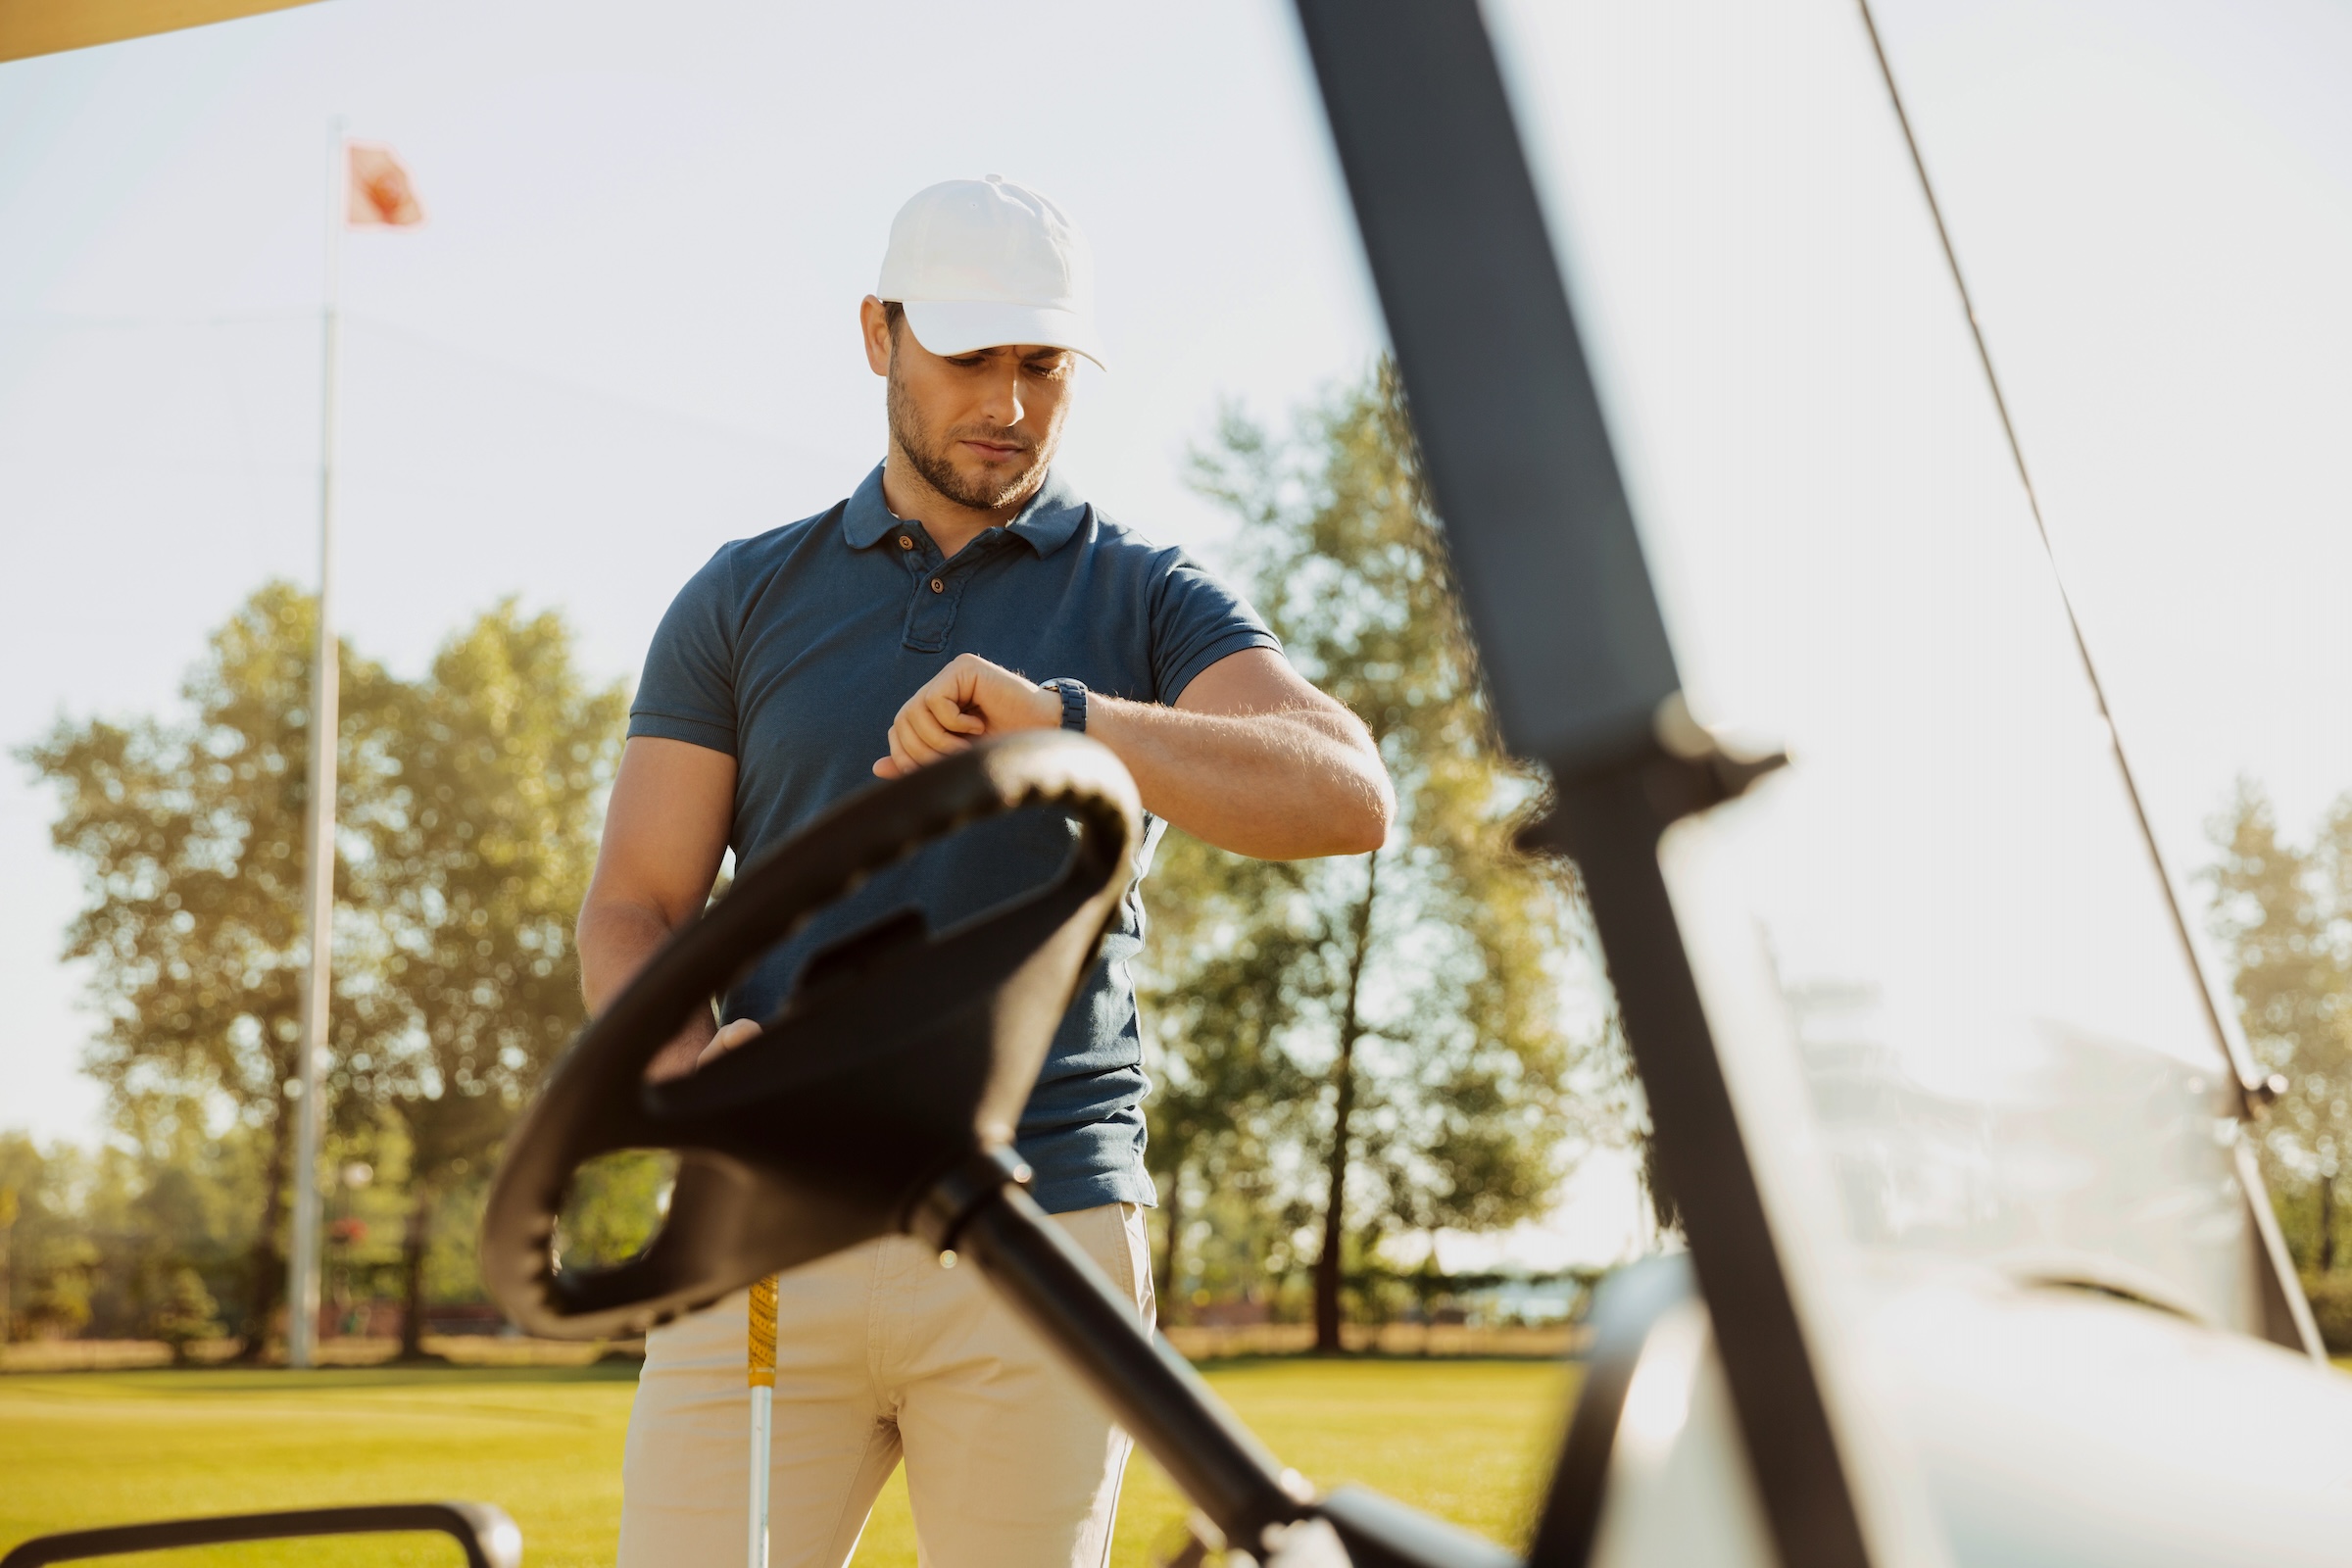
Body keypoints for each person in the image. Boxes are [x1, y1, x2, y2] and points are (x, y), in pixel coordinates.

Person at [582, 174, 1393, 1568]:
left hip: (1048, 1231)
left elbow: (1346, 792)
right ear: (878, 334)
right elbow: (638, 903)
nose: (1008, 403)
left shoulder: (1145, 592)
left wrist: (1065, 720)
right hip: (766, 1222)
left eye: (1042, 366)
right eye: (970, 358)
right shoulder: (739, 595)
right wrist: (692, 1063)